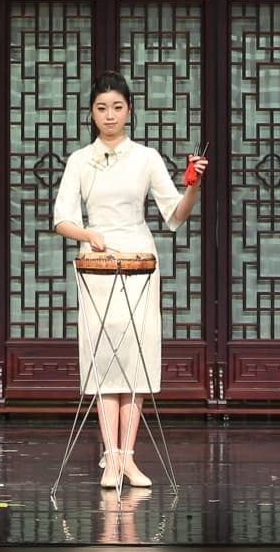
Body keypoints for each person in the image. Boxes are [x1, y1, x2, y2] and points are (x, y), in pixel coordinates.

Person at [51, 72, 207, 489]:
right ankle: (110, 456)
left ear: (129, 111)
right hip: (97, 260)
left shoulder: (146, 158)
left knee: (136, 355)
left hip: (139, 258)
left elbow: (175, 214)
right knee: (104, 355)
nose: (110, 115)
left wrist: (193, 186)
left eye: (117, 107)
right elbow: (62, 218)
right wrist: (88, 234)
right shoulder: (80, 160)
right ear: (91, 113)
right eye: (102, 108)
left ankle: (128, 457)